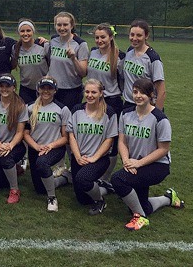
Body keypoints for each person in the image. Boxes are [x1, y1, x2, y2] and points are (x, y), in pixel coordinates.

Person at [111, 78, 184, 231]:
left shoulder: (160, 119)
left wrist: (139, 163)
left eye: (143, 93)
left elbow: (163, 149)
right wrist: (126, 160)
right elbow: (122, 142)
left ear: (151, 95)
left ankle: (140, 217)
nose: (138, 96)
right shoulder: (125, 114)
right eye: (135, 92)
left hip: (157, 165)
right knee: (139, 204)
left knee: (118, 180)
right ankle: (168, 198)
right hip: (134, 163)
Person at [67, 79, 118, 215]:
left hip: (99, 159)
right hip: (79, 158)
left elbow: (109, 139)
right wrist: (77, 157)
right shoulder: (77, 109)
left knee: (82, 179)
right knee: (83, 199)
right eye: (87, 92)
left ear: (101, 93)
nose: (89, 95)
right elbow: (71, 135)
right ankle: (104, 187)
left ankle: (100, 201)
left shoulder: (109, 112)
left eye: (94, 92)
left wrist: (94, 158)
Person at [23, 76, 70, 212]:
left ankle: (52, 198)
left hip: (54, 148)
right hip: (35, 148)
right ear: (38, 89)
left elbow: (65, 138)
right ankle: (65, 178)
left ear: (55, 90)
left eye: (50, 88)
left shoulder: (62, 109)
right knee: (40, 189)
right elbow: (25, 133)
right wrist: (36, 146)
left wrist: (50, 146)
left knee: (42, 164)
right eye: (43, 88)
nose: (46, 91)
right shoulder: (30, 108)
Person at [87, 23, 125, 182]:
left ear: (110, 37)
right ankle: (93, 170)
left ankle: (105, 178)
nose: (99, 40)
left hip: (111, 101)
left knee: (111, 141)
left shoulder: (119, 56)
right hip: (92, 100)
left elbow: (125, 80)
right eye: (97, 37)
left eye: (103, 37)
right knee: (96, 136)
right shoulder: (93, 52)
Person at [0, 73, 28, 204]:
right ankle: (15, 169)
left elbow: (20, 132)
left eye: (7, 86)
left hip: (14, 145)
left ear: (14, 87)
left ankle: (14, 190)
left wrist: (10, 146)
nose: (4, 89)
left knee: (6, 160)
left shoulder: (20, 105)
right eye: (1, 86)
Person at [47, 12, 89, 109]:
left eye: (65, 25)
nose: (62, 28)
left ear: (72, 25)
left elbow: (83, 73)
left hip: (71, 90)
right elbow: (50, 62)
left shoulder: (81, 44)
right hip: (53, 88)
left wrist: (73, 59)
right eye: (59, 25)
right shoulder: (53, 40)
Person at [122, 19, 166, 110]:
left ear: (146, 36)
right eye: (132, 34)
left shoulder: (153, 58)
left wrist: (157, 113)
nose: (134, 38)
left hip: (145, 106)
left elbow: (161, 90)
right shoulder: (129, 51)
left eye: (139, 35)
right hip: (128, 104)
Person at [12, 19, 50, 105]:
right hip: (26, 89)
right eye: (22, 31)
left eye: (28, 30)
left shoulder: (43, 45)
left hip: (44, 87)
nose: (25, 34)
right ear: (19, 33)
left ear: (33, 32)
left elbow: (53, 65)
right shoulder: (15, 48)